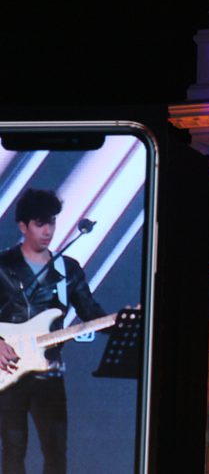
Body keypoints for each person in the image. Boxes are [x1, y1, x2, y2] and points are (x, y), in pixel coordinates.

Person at [0, 189, 107, 474]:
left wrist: (122, 322)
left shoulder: (68, 269)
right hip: (9, 373)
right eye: (40, 224)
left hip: (50, 372)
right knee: (13, 450)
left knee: (56, 452)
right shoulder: (3, 266)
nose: (48, 231)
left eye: (51, 222)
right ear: (23, 226)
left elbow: (90, 312)